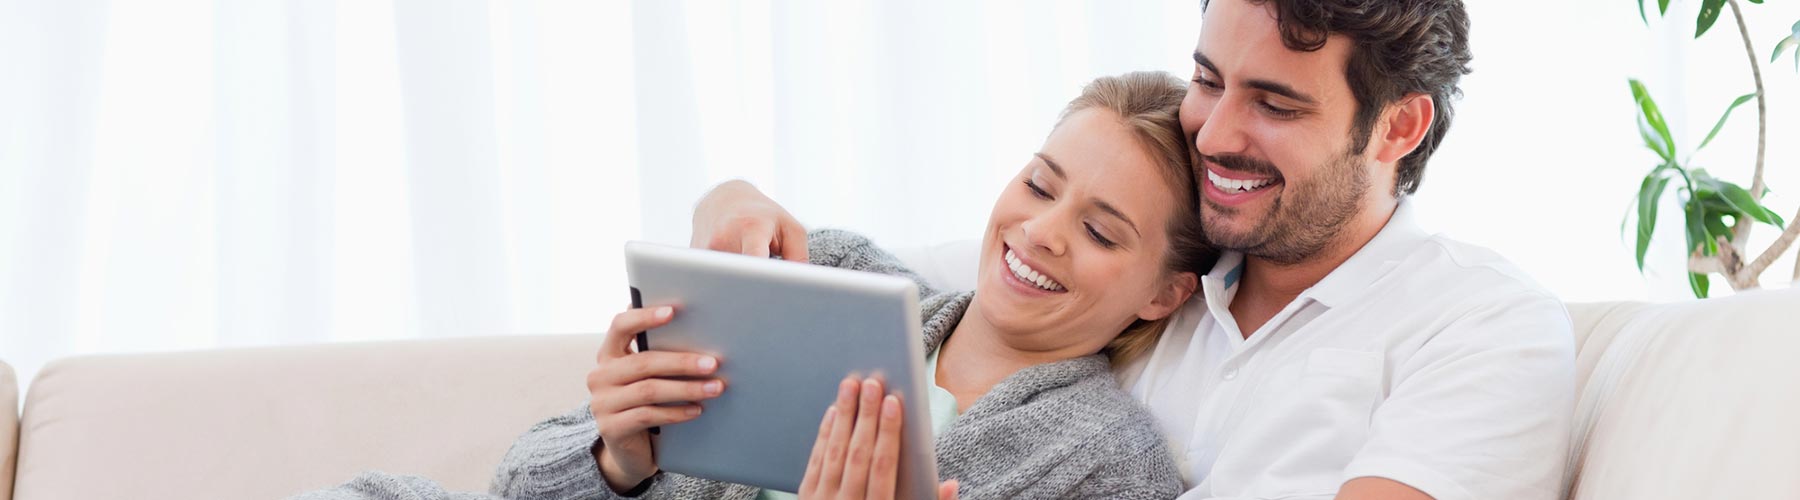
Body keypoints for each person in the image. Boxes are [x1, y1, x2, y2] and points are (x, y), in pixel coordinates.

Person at [682, 1, 1576, 499]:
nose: (1214, 134)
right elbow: (870, 276)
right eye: (1207, 80)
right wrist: (735, 202)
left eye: (1274, 104)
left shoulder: (1482, 327)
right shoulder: (1155, 266)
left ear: (1398, 127)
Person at [297, 72, 1213, 500]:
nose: (1039, 233)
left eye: (1099, 231)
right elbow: (514, 486)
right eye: (1039, 184)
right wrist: (618, 458)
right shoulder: (840, 275)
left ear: (1164, 294)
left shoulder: (1108, 464)